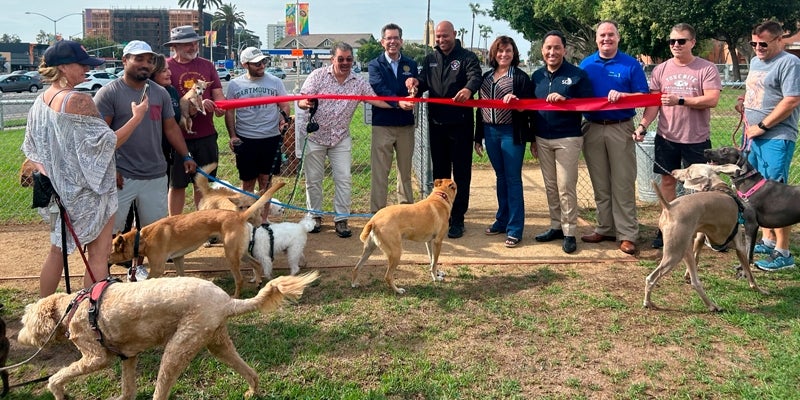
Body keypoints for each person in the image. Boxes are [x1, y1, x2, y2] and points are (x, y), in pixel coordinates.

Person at [21, 40, 148, 296]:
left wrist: (53, 179)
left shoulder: (40, 101)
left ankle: (42, 310)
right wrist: (137, 118)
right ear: (64, 67)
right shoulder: (78, 100)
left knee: (57, 251)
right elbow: (109, 142)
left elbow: (32, 150)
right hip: (91, 193)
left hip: (60, 194)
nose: (87, 69)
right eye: (82, 64)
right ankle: (92, 313)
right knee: (98, 256)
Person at [94, 40, 196, 281]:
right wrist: (112, 168)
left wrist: (186, 155)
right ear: (124, 61)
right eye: (138, 59)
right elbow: (99, 137)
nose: (145, 64)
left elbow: (171, 128)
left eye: (149, 60)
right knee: (111, 231)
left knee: (152, 232)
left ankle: (136, 269)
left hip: (155, 174)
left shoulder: (159, 93)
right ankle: (101, 276)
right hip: (122, 176)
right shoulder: (109, 93)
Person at [635, 23, 721, 248]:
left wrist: (680, 100)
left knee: (700, 186)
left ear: (692, 42)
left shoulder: (706, 68)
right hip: (667, 137)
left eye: (681, 41)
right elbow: (654, 105)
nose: (675, 45)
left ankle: (700, 231)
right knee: (667, 181)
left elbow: (712, 99)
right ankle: (668, 226)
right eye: (672, 41)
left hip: (697, 139)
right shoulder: (661, 70)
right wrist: (643, 125)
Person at [296, 42, 392, 238]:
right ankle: (315, 217)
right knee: (313, 181)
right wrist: (305, 103)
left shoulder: (358, 82)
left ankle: (341, 219)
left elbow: (375, 99)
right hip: (315, 137)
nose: (345, 63)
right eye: (341, 59)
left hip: (340, 138)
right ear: (332, 59)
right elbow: (301, 99)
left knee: (344, 180)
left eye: (349, 59)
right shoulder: (318, 76)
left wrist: (399, 105)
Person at [406, 20, 483, 239]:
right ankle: (440, 216)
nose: (441, 40)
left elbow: (475, 77)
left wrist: (469, 89)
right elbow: (423, 82)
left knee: (461, 174)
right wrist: (415, 84)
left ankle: (458, 219)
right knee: (440, 174)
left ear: (454, 34)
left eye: (444, 36)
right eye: (438, 37)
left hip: (461, 125)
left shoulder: (467, 57)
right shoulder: (430, 58)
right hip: (437, 125)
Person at [579, 20, 650, 255]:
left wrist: (625, 96)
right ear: (596, 38)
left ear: (618, 38)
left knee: (622, 182)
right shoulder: (586, 65)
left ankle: (627, 234)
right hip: (593, 127)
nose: (606, 39)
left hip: (621, 127)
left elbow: (643, 97)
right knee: (600, 183)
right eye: (602, 35)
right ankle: (605, 227)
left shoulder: (630, 64)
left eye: (611, 35)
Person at [737, 20, 800, 271]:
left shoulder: (790, 63)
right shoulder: (755, 62)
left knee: (777, 195)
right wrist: (746, 102)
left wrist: (762, 126)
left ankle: (784, 252)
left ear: (778, 40)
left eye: (763, 43)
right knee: (756, 192)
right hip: (754, 137)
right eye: (754, 43)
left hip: (776, 137)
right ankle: (766, 239)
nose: (757, 48)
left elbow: (792, 100)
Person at [530, 31, 594, 254]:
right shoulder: (536, 76)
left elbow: (588, 104)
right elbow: (531, 109)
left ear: (564, 50)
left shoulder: (577, 75)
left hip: (567, 137)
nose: (552, 52)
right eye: (548, 48)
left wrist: (567, 100)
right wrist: (533, 139)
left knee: (566, 185)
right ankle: (556, 226)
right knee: (550, 186)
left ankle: (569, 231)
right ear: (542, 51)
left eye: (557, 48)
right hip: (542, 137)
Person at [473, 35, 534, 248]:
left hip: (511, 133)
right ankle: (502, 219)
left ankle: (515, 228)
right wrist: (477, 137)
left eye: (508, 51)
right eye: (500, 51)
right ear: (494, 54)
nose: (504, 54)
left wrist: (518, 103)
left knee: (513, 179)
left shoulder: (519, 77)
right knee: (500, 177)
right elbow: (481, 108)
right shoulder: (487, 77)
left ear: (514, 53)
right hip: (490, 132)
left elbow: (530, 109)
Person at [165, 25, 226, 216]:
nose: (193, 47)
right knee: (177, 185)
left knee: (203, 184)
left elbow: (219, 98)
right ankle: (174, 226)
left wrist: (219, 107)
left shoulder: (207, 65)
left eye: (194, 43)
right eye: (187, 44)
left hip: (206, 135)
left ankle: (203, 225)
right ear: (175, 46)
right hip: (176, 136)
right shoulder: (166, 67)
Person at [225, 47, 291, 195]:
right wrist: (233, 136)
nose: (261, 66)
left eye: (263, 62)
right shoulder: (235, 85)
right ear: (245, 65)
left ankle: (263, 218)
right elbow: (229, 111)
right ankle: (248, 217)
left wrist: (283, 119)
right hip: (246, 138)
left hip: (270, 137)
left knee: (266, 181)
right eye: (256, 63)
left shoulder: (275, 82)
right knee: (247, 182)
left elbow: (285, 105)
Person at [367, 23, 418, 213]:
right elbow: (379, 88)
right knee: (380, 173)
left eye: (396, 38)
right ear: (382, 42)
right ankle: (377, 214)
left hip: (405, 125)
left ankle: (405, 213)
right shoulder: (374, 65)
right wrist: (398, 103)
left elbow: (414, 86)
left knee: (405, 172)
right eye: (389, 38)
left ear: (401, 41)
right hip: (383, 125)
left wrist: (415, 86)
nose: (392, 42)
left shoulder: (410, 64)